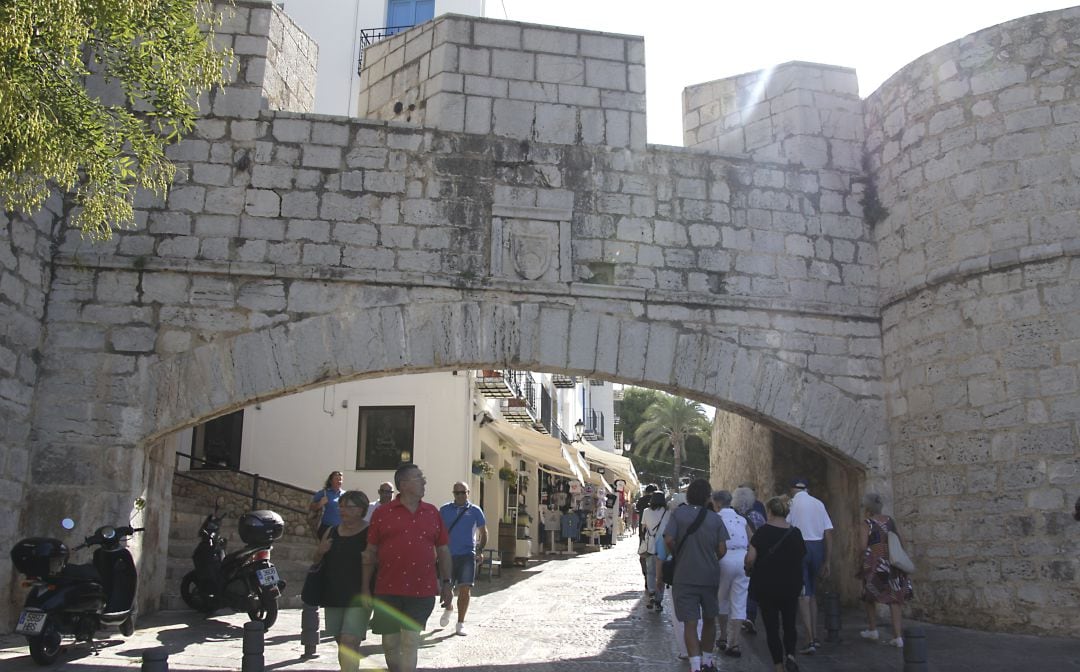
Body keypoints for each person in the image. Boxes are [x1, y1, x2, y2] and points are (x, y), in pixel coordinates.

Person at [361, 464, 453, 672]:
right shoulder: (382, 514)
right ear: (403, 484)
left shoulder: (432, 512)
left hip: (422, 590)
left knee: (411, 641)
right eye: (419, 477)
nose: (424, 481)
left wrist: (447, 583)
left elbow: (444, 550)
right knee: (391, 644)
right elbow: (370, 552)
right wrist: (366, 588)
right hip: (388, 589)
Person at [664, 478, 729, 672]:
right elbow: (722, 549)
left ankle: (694, 666)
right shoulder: (715, 518)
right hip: (709, 575)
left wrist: (679, 553)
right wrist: (711, 557)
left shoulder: (678, 514)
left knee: (690, 623)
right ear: (708, 497)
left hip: (684, 576)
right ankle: (707, 661)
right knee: (710, 619)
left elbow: (668, 539)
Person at [746, 495, 807, 672]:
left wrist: (748, 565)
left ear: (770, 512)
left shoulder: (762, 532)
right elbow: (802, 556)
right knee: (789, 624)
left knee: (771, 627)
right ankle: (791, 655)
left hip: (767, 586)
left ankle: (778, 666)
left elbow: (751, 558)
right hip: (790, 585)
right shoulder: (795, 532)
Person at [313, 490, 372, 672]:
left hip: (358, 594)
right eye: (341, 505)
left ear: (361, 509)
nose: (342, 510)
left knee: (349, 640)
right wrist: (321, 550)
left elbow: (373, 561)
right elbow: (316, 561)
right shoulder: (331, 531)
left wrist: (366, 590)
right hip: (334, 594)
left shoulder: (369, 532)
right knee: (341, 641)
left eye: (348, 506)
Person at [857, 492, 914, 648]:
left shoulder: (866, 523)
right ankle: (898, 637)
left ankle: (872, 629)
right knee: (894, 599)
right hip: (892, 564)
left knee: (869, 595)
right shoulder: (890, 521)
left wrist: (861, 559)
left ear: (867, 507)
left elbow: (863, 546)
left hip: (875, 563)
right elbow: (902, 540)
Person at [786, 477, 833, 654]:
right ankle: (814, 635)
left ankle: (809, 638)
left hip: (799, 547)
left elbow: (787, 527)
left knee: (802, 594)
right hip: (817, 547)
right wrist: (827, 560)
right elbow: (828, 532)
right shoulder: (818, 504)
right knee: (812, 593)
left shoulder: (791, 504)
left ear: (793, 490)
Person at [437, 481, 488, 636]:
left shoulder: (475, 511)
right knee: (446, 588)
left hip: (467, 555)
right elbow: (438, 532)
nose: (460, 495)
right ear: (453, 494)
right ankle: (449, 607)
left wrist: (479, 550)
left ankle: (460, 623)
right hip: (447, 555)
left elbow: (483, 532)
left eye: (463, 492)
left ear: (468, 493)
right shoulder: (444, 510)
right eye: (457, 493)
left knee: (465, 589)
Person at [712, 490, 753, 658]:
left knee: (721, 598)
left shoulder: (716, 519)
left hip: (724, 557)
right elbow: (753, 539)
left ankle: (722, 635)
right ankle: (734, 643)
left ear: (718, 503)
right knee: (739, 600)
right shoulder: (742, 520)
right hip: (742, 557)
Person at [733, 485, 766, 635]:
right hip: (756, 555)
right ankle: (750, 617)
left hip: (741, 555)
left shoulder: (734, 517)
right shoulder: (757, 516)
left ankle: (740, 617)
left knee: (740, 589)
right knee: (751, 587)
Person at [639, 491, 670, 612]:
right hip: (662, 544)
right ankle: (659, 599)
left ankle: (651, 592)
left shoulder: (646, 511)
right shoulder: (667, 512)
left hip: (650, 544)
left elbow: (643, 528)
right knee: (661, 573)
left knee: (650, 570)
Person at [636, 484, 659, 591]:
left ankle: (647, 577)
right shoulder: (660, 502)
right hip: (658, 533)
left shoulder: (641, 501)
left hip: (644, 533)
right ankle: (656, 578)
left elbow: (637, 509)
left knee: (644, 554)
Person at [311, 471, 345, 538]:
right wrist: (319, 504)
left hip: (341, 528)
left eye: (340, 479)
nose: (339, 481)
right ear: (331, 481)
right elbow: (311, 507)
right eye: (337, 479)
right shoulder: (324, 493)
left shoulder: (345, 495)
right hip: (326, 528)